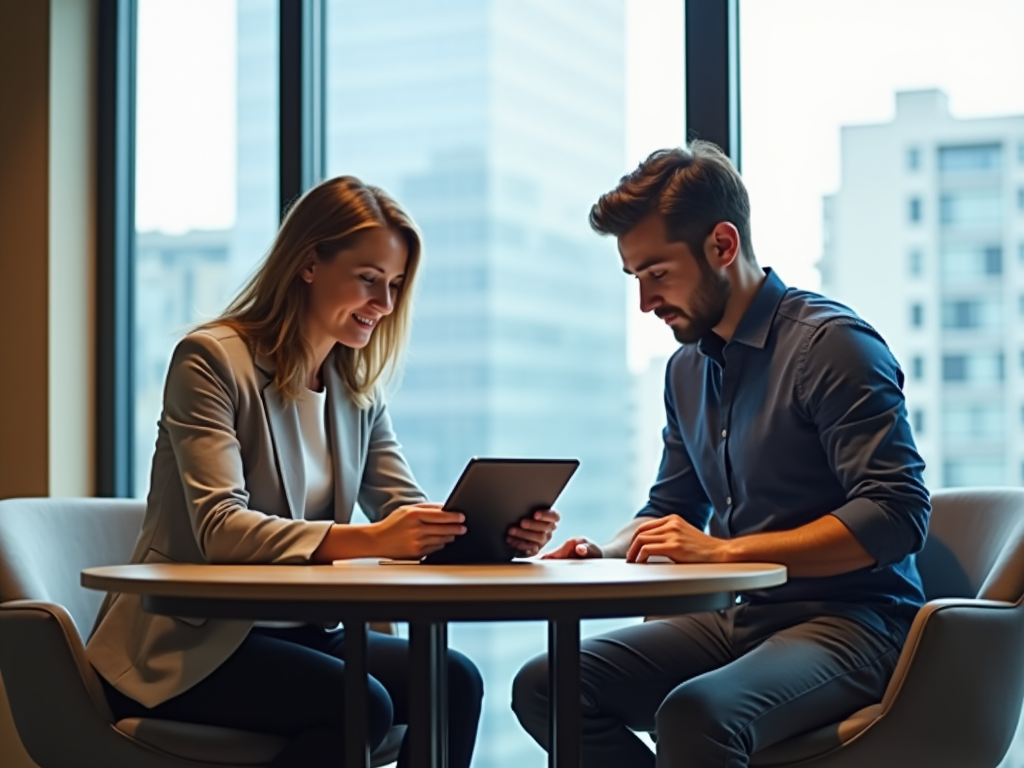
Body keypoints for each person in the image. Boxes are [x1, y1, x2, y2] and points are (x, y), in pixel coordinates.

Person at [86, 176, 561, 768]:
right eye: (369, 280)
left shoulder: (355, 388)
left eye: (393, 286)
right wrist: (372, 539)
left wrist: (494, 534)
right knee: (359, 705)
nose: (384, 306)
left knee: (452, 680)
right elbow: (222, 528)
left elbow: (404, 510)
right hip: (193, 643)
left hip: (303, 633)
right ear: (309, 264)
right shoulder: (209, 361)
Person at [511, 142, 930, 768]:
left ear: (722, 246)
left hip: (856, 624)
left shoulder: (832, 346)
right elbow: (672, 504)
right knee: (547, 686)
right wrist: (604, 550)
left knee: (694, 716)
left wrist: (727, 551)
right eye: (636, 279)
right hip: (745, 619)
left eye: (658, 274)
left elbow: (897, 515)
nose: (646, 302)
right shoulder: (685, 369)